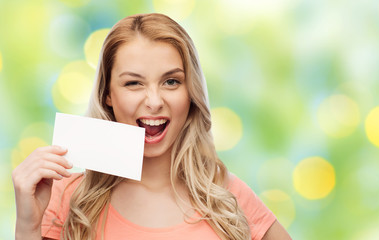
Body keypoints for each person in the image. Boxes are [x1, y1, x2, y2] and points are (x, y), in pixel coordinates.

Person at [12, 13, 291, 240]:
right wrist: (27, 226)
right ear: (108, 94)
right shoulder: (67, 198)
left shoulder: (226, 196)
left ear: (190, 92)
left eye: (171, 81)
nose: (155, 101)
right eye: (134, 83)